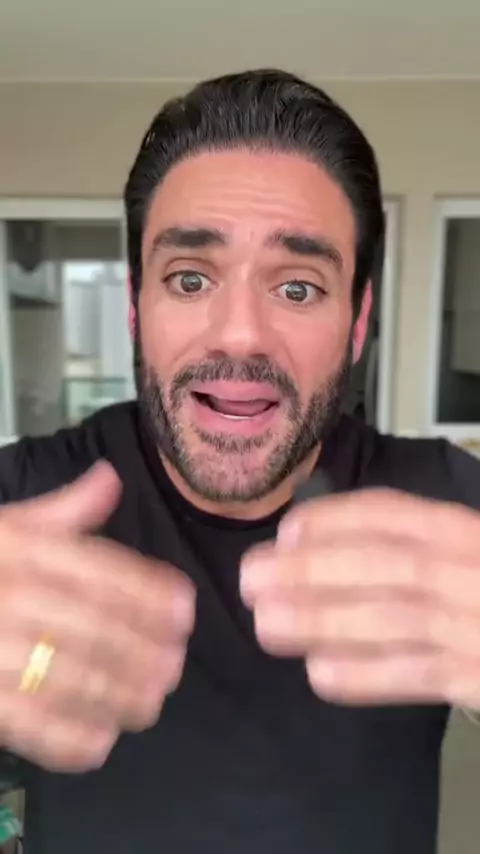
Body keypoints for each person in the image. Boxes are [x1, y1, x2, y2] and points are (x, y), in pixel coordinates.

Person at [0, 68, 479, 854]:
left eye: (298, 288)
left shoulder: (447, 507)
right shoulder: (26, 503)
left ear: (358, 322)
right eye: (190, 279)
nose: (240, 335)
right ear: (135, 308)